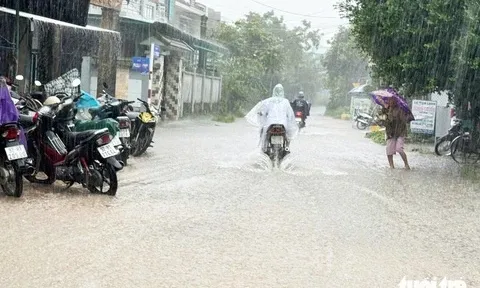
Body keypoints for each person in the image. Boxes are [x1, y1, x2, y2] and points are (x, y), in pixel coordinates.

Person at [245, 84, 298, 153]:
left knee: (263, 133)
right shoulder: (286, 101)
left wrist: (261, 115)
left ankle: (264, 148)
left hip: (270, 123)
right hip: (283, 124)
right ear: (282, 91)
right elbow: (290, 115)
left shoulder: (268, 101)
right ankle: (287, 147)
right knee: (288, 134)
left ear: (274, 91)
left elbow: (262, 112)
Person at [380, 97, 411, 169]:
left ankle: (406, 164)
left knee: (399, 148)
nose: (391, 102)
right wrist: (384, 118)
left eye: (393, 100)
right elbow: (381, 120)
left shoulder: (400, 109)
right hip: (390, 132)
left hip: (400, 131)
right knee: (389, 149)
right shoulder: (385, 109)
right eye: (390, 100)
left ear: (396, 101)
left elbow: (404, 120)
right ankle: (391, 166)